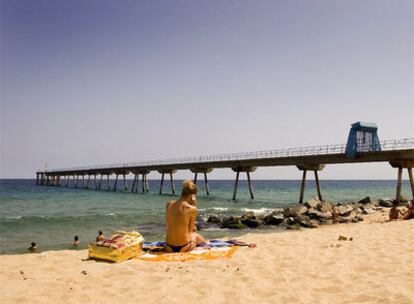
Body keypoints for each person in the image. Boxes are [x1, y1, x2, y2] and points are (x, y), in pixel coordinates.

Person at [165, 179, 207, 253]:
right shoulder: (192, 209)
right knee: (198, 237)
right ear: (192, 196)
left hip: (168, 247)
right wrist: (194, 204)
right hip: (184, 246)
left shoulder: (169, 204)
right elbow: (190, 230)